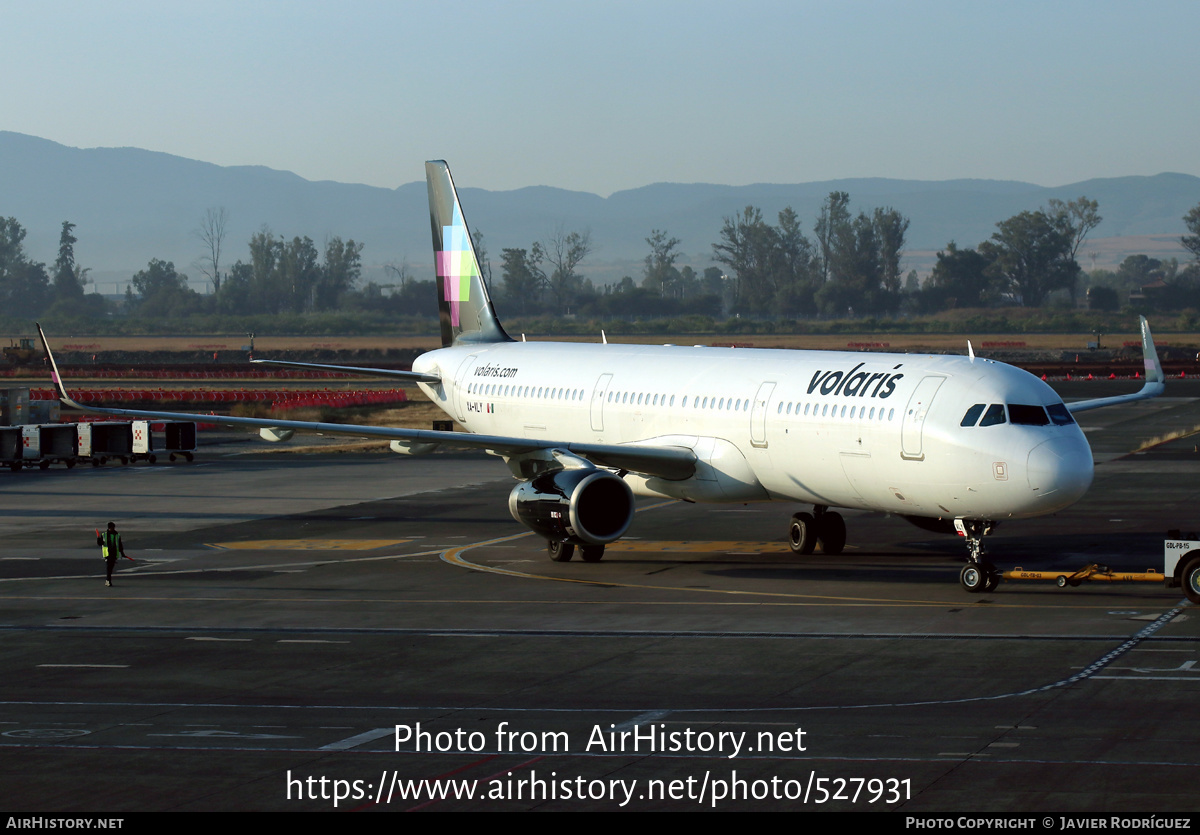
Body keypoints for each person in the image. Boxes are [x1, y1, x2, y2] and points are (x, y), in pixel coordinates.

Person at [98, 522, 127, 587]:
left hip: (114, 553)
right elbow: (100, 543)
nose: (113, 529)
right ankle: (108, 580)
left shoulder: (117, 535)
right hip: (107, 553)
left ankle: (108, 580)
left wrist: (122, 553)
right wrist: (99, 540)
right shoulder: (104, 534)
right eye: (112, 528)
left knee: (111, 568)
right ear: (109, 528)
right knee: (109, 567)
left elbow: (119, 544)